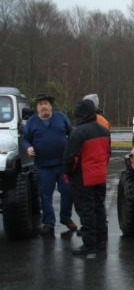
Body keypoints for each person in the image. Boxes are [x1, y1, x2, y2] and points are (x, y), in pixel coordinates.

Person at [23, 93, 77, 235]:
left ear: (51, 106)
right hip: (43, 166)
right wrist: (28, 147)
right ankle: (48, 223)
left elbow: (71, 133)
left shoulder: (61, 117)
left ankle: (66, 218)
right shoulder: (32, 122)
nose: (44, 106)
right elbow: (25, 140)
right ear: (37, 108)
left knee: (67, 192)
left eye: (46, 103)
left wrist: (73, 150)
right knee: (45, 195)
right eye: (40, 104)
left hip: (62, 164)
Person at [63, 99, 111, 256]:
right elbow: (108, 154)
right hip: (100, 176)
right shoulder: (104, 130)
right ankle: (102, 242)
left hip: (83, 177)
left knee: (86, 211)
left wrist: (68, 173)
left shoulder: (78, 132)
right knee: (99, 208)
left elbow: (70, 157)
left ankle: (89, 245)